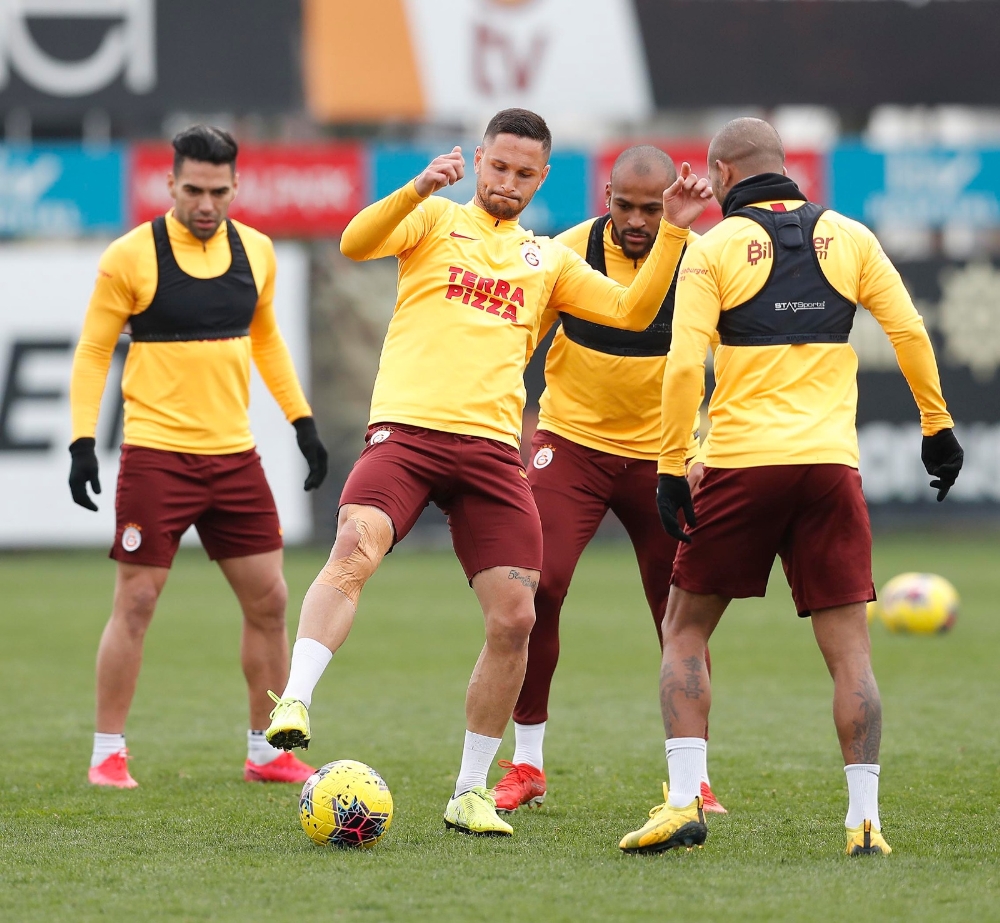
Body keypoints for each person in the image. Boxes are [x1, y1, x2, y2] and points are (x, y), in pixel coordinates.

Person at [264, 108, 713, 837]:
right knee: (354, 545)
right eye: (498, 166)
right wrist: (417, 186)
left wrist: (673, 232)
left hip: (491, 452)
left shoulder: (548, 260)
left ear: (542, 179)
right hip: (408, 433)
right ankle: (295, 699)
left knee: (517, 616)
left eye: (524, 173)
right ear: (477, 160)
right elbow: (354, 241)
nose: (508, 181)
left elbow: (632, 312)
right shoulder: (434, 219)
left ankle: (470, 790)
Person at [618, 118, 963, 856]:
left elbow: (683, 367)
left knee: (684, 629)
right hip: (830, 468)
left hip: (742, 464)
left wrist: (672, 464)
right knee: (851, 652)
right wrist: (937, 425)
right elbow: (909, 331)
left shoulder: (711, 249)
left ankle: (683, 801)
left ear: (722, 174)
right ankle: (864, 822)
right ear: (784, 166)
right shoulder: (852, 237)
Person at [69, 125, 328, 789]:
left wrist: (301, 422)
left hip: (234, 458)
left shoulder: (258, 252)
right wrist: (81, 442)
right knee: (137, 601)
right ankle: (107, 752)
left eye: (218, 191)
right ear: (170, 185)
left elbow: (266, 340)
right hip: (157, 457)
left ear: (236, 185)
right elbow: (94, 352)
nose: (206, 203)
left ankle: (266, 751)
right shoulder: (130, 257)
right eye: (193, 190)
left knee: (270, 600)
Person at [490, 145, 725, 816]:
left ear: (670, 204)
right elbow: (515, 347)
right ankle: (527, 763)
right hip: (572, 448)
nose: (638, 221)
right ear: (607, 198)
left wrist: (706, 449)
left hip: (664, 459)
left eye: (652, 208)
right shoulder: (565, 253)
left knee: (679, 614)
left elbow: (735, 365)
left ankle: (694, 779)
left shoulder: (700, 261)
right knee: (536, 589)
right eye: (626, 206)